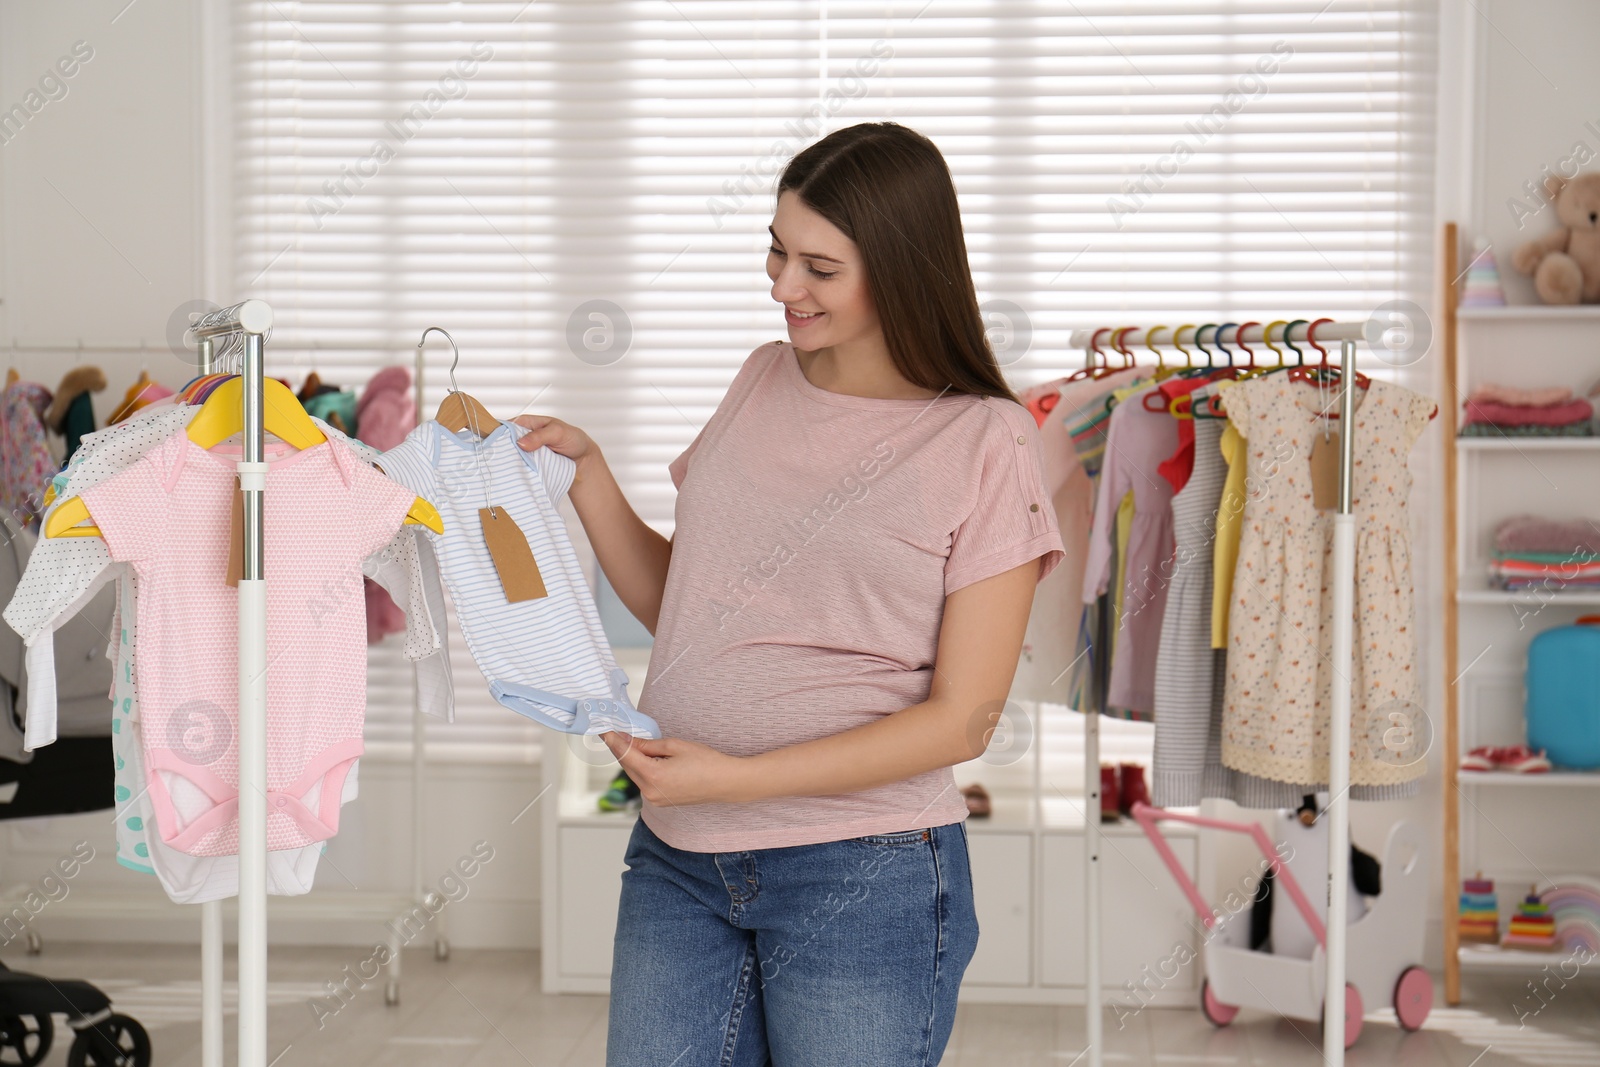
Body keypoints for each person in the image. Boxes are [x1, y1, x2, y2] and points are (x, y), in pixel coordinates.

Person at [513, 121, 1064, 1067]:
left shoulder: (984, 440)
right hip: (680, 857)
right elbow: (689, 615)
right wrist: (589, 473)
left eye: (819, 265)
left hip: (866, 871)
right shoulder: (763, 378)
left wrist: (737, 777)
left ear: (899, 268)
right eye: (775, 249)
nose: (782, 285)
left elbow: (963, 721)